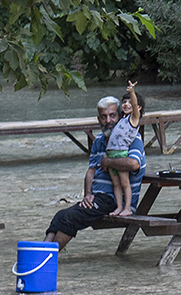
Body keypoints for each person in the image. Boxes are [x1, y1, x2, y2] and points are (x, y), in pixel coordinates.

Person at [44, 95, 145, 249]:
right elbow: (91, 171)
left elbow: (134, 164)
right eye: (104, 117)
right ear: (99, 119)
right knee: (60, 216)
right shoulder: (99, 140)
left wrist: (109, 162)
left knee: (72, 217)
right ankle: (39, 253)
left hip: (115, 202)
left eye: (112, 116)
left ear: (120, 116)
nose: (109, 121)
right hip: (98, 199)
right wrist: (88, 194)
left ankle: (47, 258)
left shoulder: (132, 138)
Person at [104, 81, 145, 216]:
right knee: (116, 183)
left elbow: (134, 104)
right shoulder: (122, 119)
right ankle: (119, 207)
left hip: (121, 154)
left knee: (124, 183)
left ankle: (127, 208)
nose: (126, 104)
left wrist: (132, 92)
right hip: (111, 154)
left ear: (138, 108)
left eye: (130, 102)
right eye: (124, 102)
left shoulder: (133, 120)